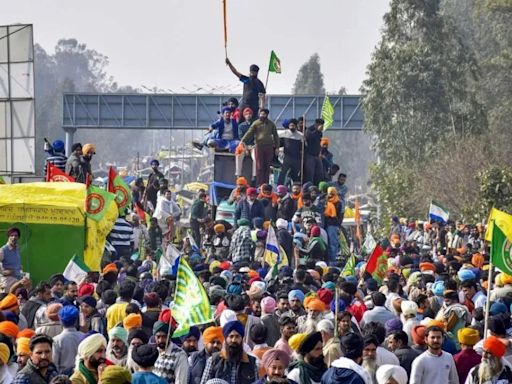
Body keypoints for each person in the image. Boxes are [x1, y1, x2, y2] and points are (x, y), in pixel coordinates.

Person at [240, 109, 280, 186]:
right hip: (259, 147)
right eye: (261, 114)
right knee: (259, 166)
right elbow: (249, 132)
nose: (262, 116)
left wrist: (277, 147)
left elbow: (276, 136)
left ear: (267, 115)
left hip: (269, 147)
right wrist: (243, 141)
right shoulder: (256, 123)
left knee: (267, 166)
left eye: (264, 114)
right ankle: (259, 185)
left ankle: (266, 184)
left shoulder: (271, 124)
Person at [152, 315, 189, 384]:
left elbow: (181, 381)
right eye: (158, 337)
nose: (161, 340)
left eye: (164, 337)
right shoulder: (153, 353)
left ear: (169, 336)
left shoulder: (179, 354)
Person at [52, 306, 83, 375]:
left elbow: (54, 363)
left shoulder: (57, 340)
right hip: (81, 374)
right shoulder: (83, 337)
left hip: (63, 375)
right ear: (76, 320)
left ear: (60, 320)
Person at [278, 118, 303, 186]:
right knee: (283, 173)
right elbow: (275, 136)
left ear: (295, 126)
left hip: (296, 157)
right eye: (290, 125)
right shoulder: (285, 132)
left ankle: (295, 188)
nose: (292, 127)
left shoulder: (300, 135)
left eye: (293, 126)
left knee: (295, 173)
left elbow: (302, 146)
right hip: (287, 157)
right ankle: (279, 186)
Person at [235, 108, 257, 182]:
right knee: (238, 154)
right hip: (244, 145)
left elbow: (256, 136)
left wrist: (254, 145)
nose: (248, 116)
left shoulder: (255, 125)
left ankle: (254, 176)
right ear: (244, 116)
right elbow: (241, 138)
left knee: (256, 157)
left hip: (253, 145)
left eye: (250, 114)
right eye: (246, 114)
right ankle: (238, 174)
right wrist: (245, 148)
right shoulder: (241, 126)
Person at [323, 187, 343, 263]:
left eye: (332, 193)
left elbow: (338, 215)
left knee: (332, 244)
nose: (330, 195)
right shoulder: (324, 201)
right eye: (329, 193)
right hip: (324, 224)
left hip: (332, 225)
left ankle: (332, 262)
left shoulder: (338, 203)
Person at [0, 227, 22, 292]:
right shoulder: (3, 250)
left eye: (16, 235)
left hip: (17, 280)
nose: (14, 237)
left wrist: (19, 266)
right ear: (8, 237)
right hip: (7, 282)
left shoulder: (17, 248)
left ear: (18, 237)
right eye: (11, 235)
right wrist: (2, 272)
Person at [304, 119, 324, 185]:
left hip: (317, 155)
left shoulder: (320, 132)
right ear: (316, 124)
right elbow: (309, 137)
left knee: (320, 173)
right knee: (310, 173)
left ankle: (318, 187)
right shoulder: (309, 130)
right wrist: (317, 131)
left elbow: (319, 141)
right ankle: (310, 187)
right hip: (310, 155)